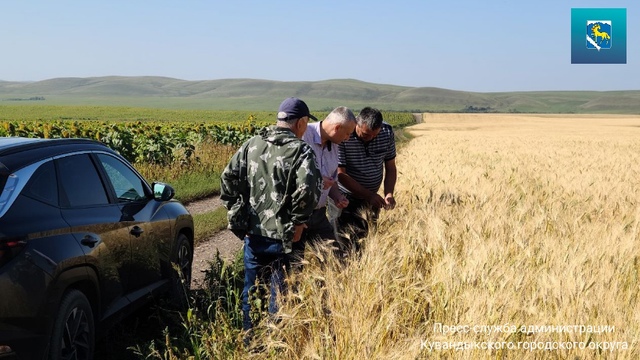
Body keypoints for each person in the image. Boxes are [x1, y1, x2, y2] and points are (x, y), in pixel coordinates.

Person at [220, 97, 322, 335]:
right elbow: (307, 190)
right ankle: (275, 345)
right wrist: (299, 222)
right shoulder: (301, 150)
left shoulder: (251, 145)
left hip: (254, 235)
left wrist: (238, 216)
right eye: (306, 124)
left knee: (252, 293)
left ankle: (251, 342)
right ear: (301, 123)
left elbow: (227, 179)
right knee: (282, 295)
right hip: (286, 239)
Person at [336, 106, 397, 252]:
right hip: (344, 197)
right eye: (365, 134)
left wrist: (389, 193)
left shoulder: (387, 132)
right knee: (344, 242)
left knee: (367, 240)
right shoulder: (344, 135)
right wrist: (368, 195)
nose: (370, 138)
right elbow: (340, 174)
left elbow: (391, 167)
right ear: (356, 124)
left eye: (374, 135)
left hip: (372, 199)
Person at [300, 106, 357, 248]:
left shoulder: (335, 144)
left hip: (319, 213)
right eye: (347, 134)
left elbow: (332, 180)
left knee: (333, 259)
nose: (347, 138)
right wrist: (317, 180)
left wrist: (337, 196)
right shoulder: (303, 135)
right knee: (296, 264)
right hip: (299, 214)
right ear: (337, 127)